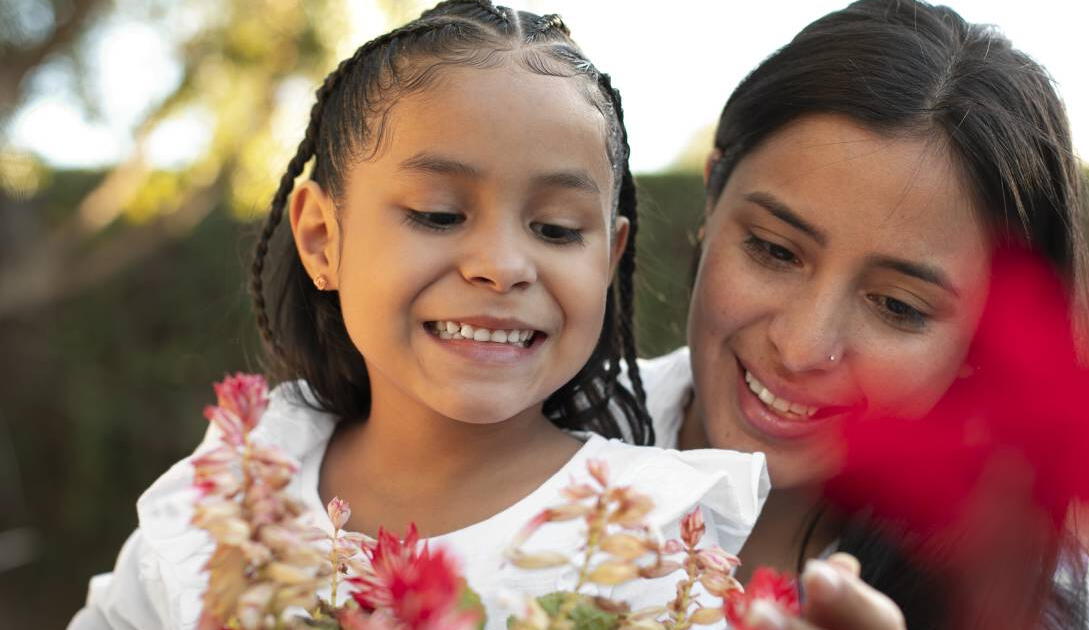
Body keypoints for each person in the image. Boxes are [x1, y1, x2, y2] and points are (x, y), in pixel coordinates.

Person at [67, 2, 767, 628]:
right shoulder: (237, 486)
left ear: (608, 262)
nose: (502, 265)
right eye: (438, 214)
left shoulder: (649, 539)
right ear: (322, 240)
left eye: (555, 229)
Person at [635, 0, 1089, 628]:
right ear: (712, 195)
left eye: (897, 306)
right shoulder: (513, 445)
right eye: (774, 250)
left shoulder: (1044, 608)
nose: (802, 345)